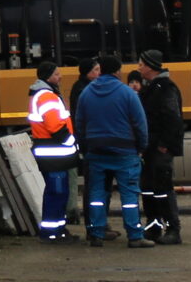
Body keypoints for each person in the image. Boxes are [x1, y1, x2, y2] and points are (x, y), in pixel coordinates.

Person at [75, 54, 152, 248]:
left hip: (96, 152)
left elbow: (79, 123)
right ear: (118, 71)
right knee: (129, 196)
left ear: (101, 70)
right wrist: (141, 147)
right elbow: (140, 123)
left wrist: (85, 147)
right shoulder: (127, 93)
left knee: (97, 195)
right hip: (124, 152)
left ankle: (96, 233)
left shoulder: (87, 93)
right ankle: (135, 236)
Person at [25, 60, 79, 242]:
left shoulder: (42, 94)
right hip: (54, 153)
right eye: (56, 74)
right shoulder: (47, 96)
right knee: (57, 193)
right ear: (48, 76)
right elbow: (55, 125)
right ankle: (53, 232)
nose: (60, 76)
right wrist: (72, 142)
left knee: (56, 193)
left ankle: (56, 230)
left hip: (50, 152)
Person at [135, 50, 185, 245]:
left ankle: (173, 229)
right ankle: (153, 226)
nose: (139, 67)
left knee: (163, 188)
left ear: (150, 66)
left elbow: (173, 118)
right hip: (150, 147)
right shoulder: (151, 87)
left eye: (141, 64)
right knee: (148, 188)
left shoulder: (165, 88)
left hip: (158, 148)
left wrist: (164, 144)